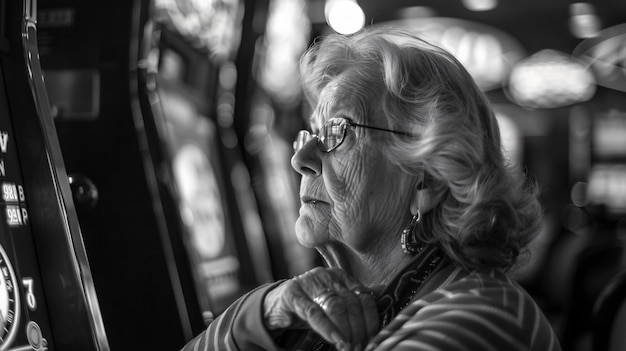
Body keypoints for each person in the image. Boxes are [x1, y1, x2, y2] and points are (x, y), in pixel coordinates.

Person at [181, 27, 561, 351]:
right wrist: (265, 310)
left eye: (338, 133)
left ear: (428, 177)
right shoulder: (387, 302)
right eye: (312, 133)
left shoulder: (474, 321)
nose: (300, 159)